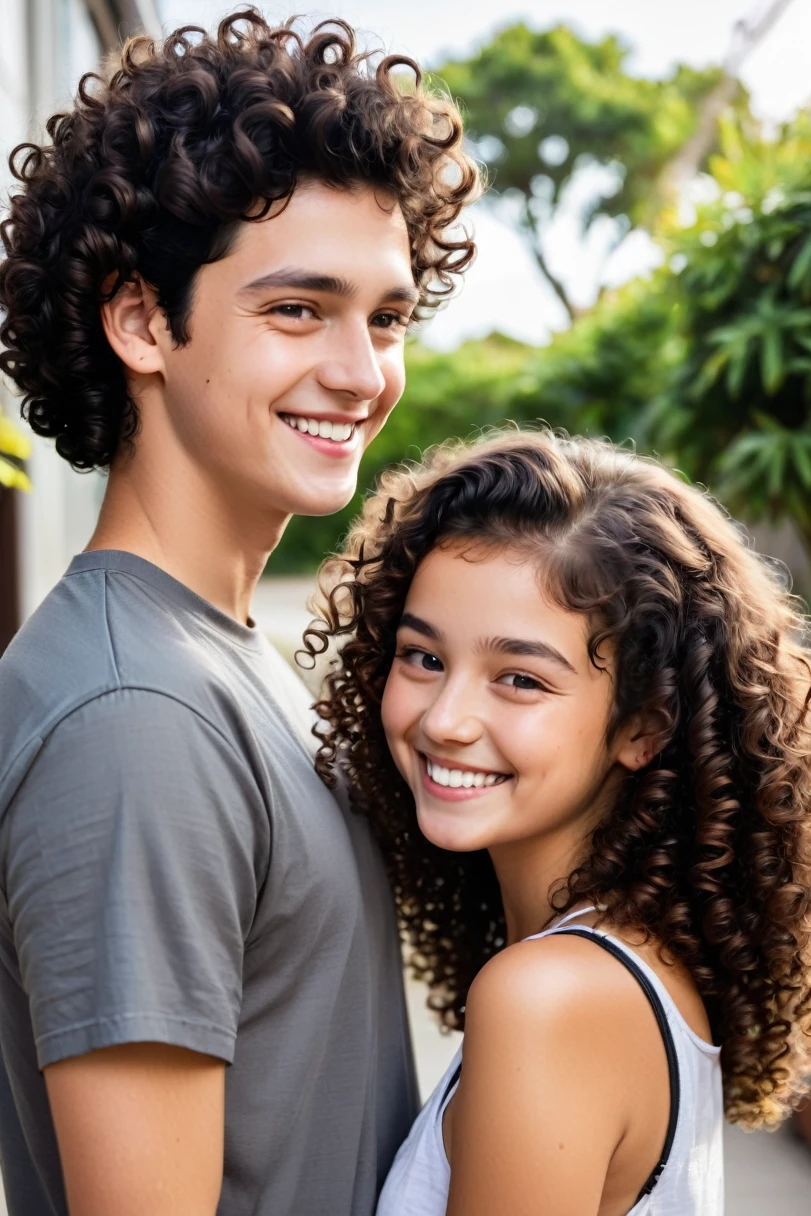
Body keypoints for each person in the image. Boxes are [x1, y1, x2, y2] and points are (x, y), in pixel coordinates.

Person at [0, 11, 480, 1216]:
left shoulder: (215, 653)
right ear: (140, 321)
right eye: (297, 310)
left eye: (385, 317)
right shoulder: (136, 718)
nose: (364, 374)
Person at [306, 429, 811, 1216]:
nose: (446, 720)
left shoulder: (548, 998)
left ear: (643, 727)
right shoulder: (626, 965)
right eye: (423, 658)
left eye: (519, 678)